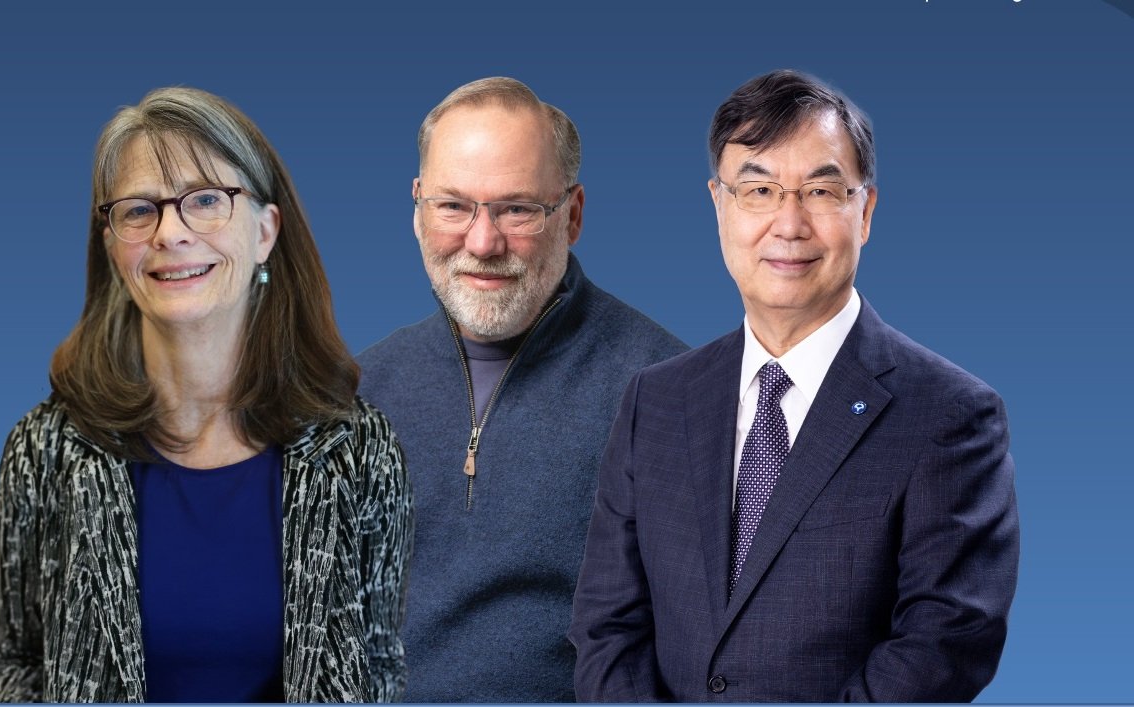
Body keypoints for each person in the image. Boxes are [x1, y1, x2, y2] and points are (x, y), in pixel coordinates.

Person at [569, 70, 1020, 702]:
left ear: (865, 212)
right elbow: (606, 627)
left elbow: (945, 643)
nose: (789, 224)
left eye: (820, 191)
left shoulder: (950, 415)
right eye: (758, 190)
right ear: (719, 205)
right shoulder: (657, 400)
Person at [0, 87, 412, 703]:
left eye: (206, 200)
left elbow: (378, 665)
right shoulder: (44, 449)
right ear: (111, 246)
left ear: (265, 232)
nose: (170, 233)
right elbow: (16, 662)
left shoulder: (361, 450)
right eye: (139, 210)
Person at [357, 77, 687, 702]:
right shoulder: (358, 391)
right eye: (453, 206)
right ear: (417, 208)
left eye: (517, 209)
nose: (483, 242)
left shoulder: (670, 392)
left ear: (573, 215)